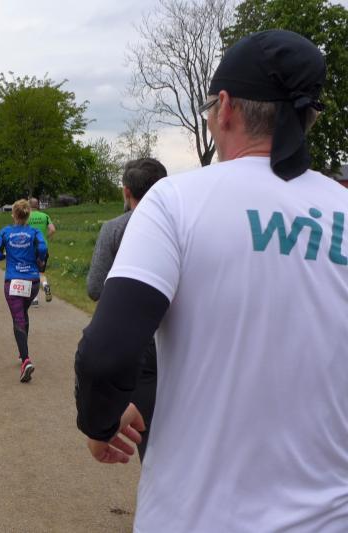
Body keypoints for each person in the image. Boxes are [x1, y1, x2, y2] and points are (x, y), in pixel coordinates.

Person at [75, 30, 348, 532]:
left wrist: (100, 422)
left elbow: (106, 353)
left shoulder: (174, 202)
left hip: (194, 516)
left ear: (224, 108)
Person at [85, 157, 167, 461]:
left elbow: (95, 288)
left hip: (138, 344)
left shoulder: (115, 229)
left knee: (147, 430)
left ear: (126, 191)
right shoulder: (186, 226)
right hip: (182, 340)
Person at [0, 199, 47, 383]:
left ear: (13, 214)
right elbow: (43, 247)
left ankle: (26, 360)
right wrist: (39, 258)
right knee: (23, 313)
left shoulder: (5, 232)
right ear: (28, 215)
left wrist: (5, 255)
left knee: (18, 318)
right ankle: (22, 351)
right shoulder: (35, 232)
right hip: (32, 281)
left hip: (13, 281)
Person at [27, 198, 55, 304]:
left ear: (29, 206)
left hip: (29, 248)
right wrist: (45, 238)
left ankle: (34, 299)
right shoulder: (45, 216)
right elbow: (52, 229)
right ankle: (45, 285)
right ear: (37, 205)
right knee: (41, 272)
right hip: (43, 248)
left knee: (30, 272)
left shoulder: (26, 216)